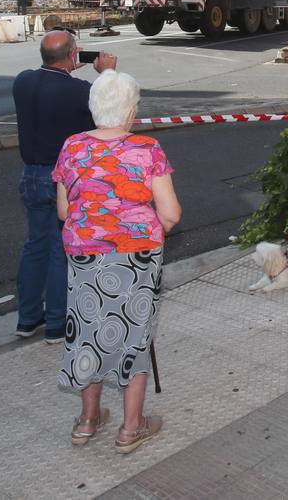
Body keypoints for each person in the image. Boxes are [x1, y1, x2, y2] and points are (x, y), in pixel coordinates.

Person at [53, 70, 180, 453]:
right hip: (135, 257)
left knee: (89, 331)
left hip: (84, 256)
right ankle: (130, 428)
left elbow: (63, 211)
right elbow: (170, 213)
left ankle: (88, 421)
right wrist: (142, 229)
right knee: (134, 334)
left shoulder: (72, 147)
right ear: (129, 112)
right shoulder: (147, 149)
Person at [12, 30, 117, 343]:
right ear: (73, 56)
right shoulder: (79, 91)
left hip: (30, 174)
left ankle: (28, 318)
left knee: (35, 245)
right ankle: (57, 322)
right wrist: (107, 73)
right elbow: (110, 112)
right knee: (61, 250)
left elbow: (50, 83)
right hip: (63, 179)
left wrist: (67, 66)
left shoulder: (22, 82)